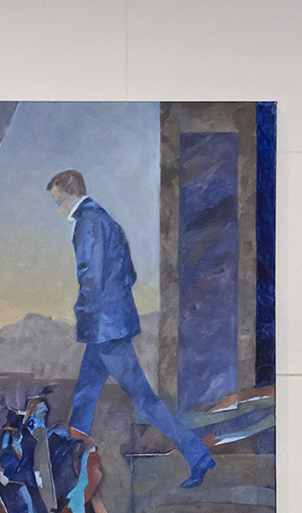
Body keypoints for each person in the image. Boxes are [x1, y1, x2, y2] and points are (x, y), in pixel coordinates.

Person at [47, 168, 218, 489]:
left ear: (73, 191)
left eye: (60, 201)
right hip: (111, 326)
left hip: (104, 329)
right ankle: (67, 467)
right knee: (85, 396)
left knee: (144, 400)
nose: (59, 209)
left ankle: (197, 454)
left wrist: (85, 311)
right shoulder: (108, 221)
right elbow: (129, 275)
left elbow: (91, 277)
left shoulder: (88, 222)